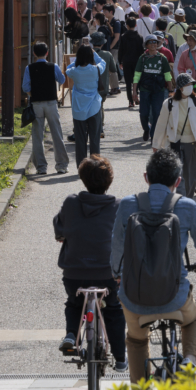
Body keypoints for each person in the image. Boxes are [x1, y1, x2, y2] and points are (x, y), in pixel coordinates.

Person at [111, 149, 196, 383]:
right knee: (194, 320)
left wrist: (117, 275)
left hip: (135, 298)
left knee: (137, 339)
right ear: (178, 181)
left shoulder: (128, 204)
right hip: (175, 297)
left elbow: (117, 247)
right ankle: (189, 360)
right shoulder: (187, 206)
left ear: (146, 178)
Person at [53, 155, 127, 371]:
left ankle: (70, 335)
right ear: (109, 181)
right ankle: (121, 359)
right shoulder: (118, 206)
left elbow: (59, 227)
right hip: (109, 274)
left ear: (82, 178)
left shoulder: (71, 202)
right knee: (113, 309)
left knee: (75, 303)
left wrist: (63, 234)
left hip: (74, 272)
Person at [152, 74, 196, 198]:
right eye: (187, 85)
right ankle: (180, 200)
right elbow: (161, 125)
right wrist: (156, 145)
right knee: (178, 175)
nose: (190, 87)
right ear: (180, 88)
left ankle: (188, 200)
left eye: (191, 84)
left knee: (191, 176)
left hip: (192, 143)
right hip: (175, 144)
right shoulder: (168, 103)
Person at [22, 42, 68, 175]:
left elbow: (25, 87)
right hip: (51, 103)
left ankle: (41, 167)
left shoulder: (29, 68)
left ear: (34, 54)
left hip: (36, 104)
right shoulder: (52, 66)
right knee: (56, 134)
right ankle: (61, 165)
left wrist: (33, 94)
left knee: (37, 136)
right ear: (47, 53)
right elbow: (62, 80)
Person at [66, 45, 106, 165]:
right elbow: (102, 62)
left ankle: (81, 166)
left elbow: (68, 68)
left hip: (79, 108)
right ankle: (95, 164)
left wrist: (76, 61)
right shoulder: (96, 69)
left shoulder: (74, 71)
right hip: (94, 106)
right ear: (90, 56)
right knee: (94, 139)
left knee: (80, 139)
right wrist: (95, 54)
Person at [133, 34, 174, 142]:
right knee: (143, 114)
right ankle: (146, 129)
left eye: (155, 42)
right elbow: (137, 75)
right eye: (150, 42)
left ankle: (153, 135)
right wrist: (134, 92)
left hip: (158, 90)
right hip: (144, 90)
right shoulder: (142, 58)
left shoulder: (162, 59)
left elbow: (167, 75)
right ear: (146, 45)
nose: (153, 44)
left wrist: (170, 90)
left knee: (157, 113)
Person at [117, 15, 144, 110]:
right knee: (137, 80)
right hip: (137, 61)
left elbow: (121, 50)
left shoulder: (124, 37)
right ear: (136, 25)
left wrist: (120, 61)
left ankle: (130, 101)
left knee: (128, 82)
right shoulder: (139, 37)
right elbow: (142, 51)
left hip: (127, 61)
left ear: (127, 25)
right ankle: (136, 96)